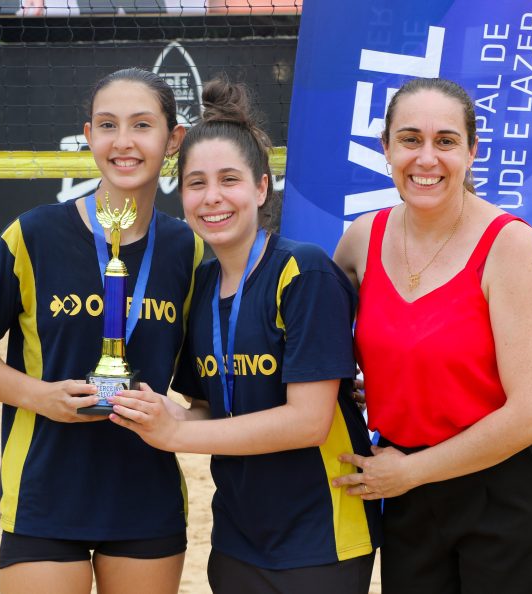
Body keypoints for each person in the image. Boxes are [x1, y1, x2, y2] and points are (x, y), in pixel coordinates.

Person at [108, 77, 381, 594]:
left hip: (321, 534)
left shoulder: (304, 273)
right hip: (237, 535)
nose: (212, 198)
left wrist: (179, 435)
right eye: (196, 183)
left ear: (261, 188)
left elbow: (308, 422)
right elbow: (217, 407)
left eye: (229, 180)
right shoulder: (201, 284)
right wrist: (174, 414)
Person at [332, 77, 532, 593]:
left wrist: (410, 474)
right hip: (410, 494)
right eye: (410, 139)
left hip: (507, 489)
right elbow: (311, 333)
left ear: (472, 152)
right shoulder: (362, 239)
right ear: (384, 148)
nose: (426, 158)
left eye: (446, 141)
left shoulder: (510, 245)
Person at [0, 68, 203, 594]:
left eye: (142, 125)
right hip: (44, 493)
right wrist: (40, 396)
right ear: (87, 137)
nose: (124, 142)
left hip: (144, 497)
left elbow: (206, 391)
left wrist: (179, 416)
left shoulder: (189, 250)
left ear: (173, 140)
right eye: (108, 126)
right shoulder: (33, 234)